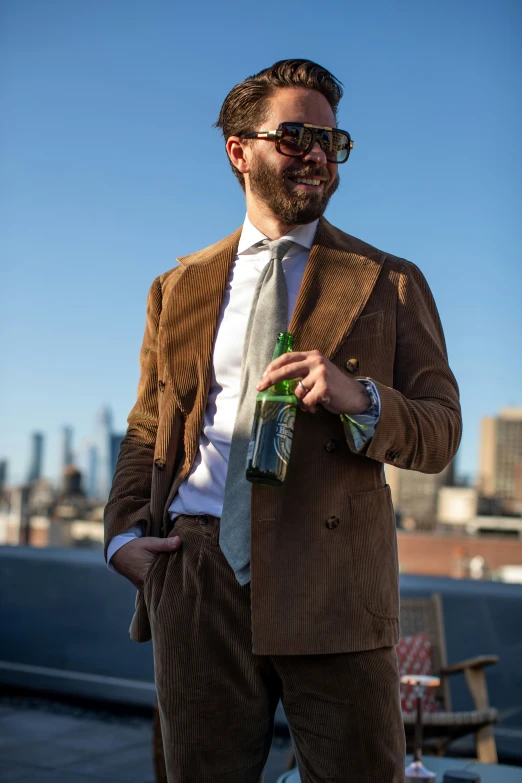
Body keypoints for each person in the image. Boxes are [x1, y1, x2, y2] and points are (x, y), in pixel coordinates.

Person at [104, 59, 461, 782]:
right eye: (295, 135)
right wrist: (121, 536)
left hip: (334, 583)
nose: (318, 154)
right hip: (198, 576)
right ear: (240, 151)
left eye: (333, 141)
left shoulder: (390, 280)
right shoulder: (177, 288)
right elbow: (149, 427)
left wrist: (359, 397)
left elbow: (441, 429)